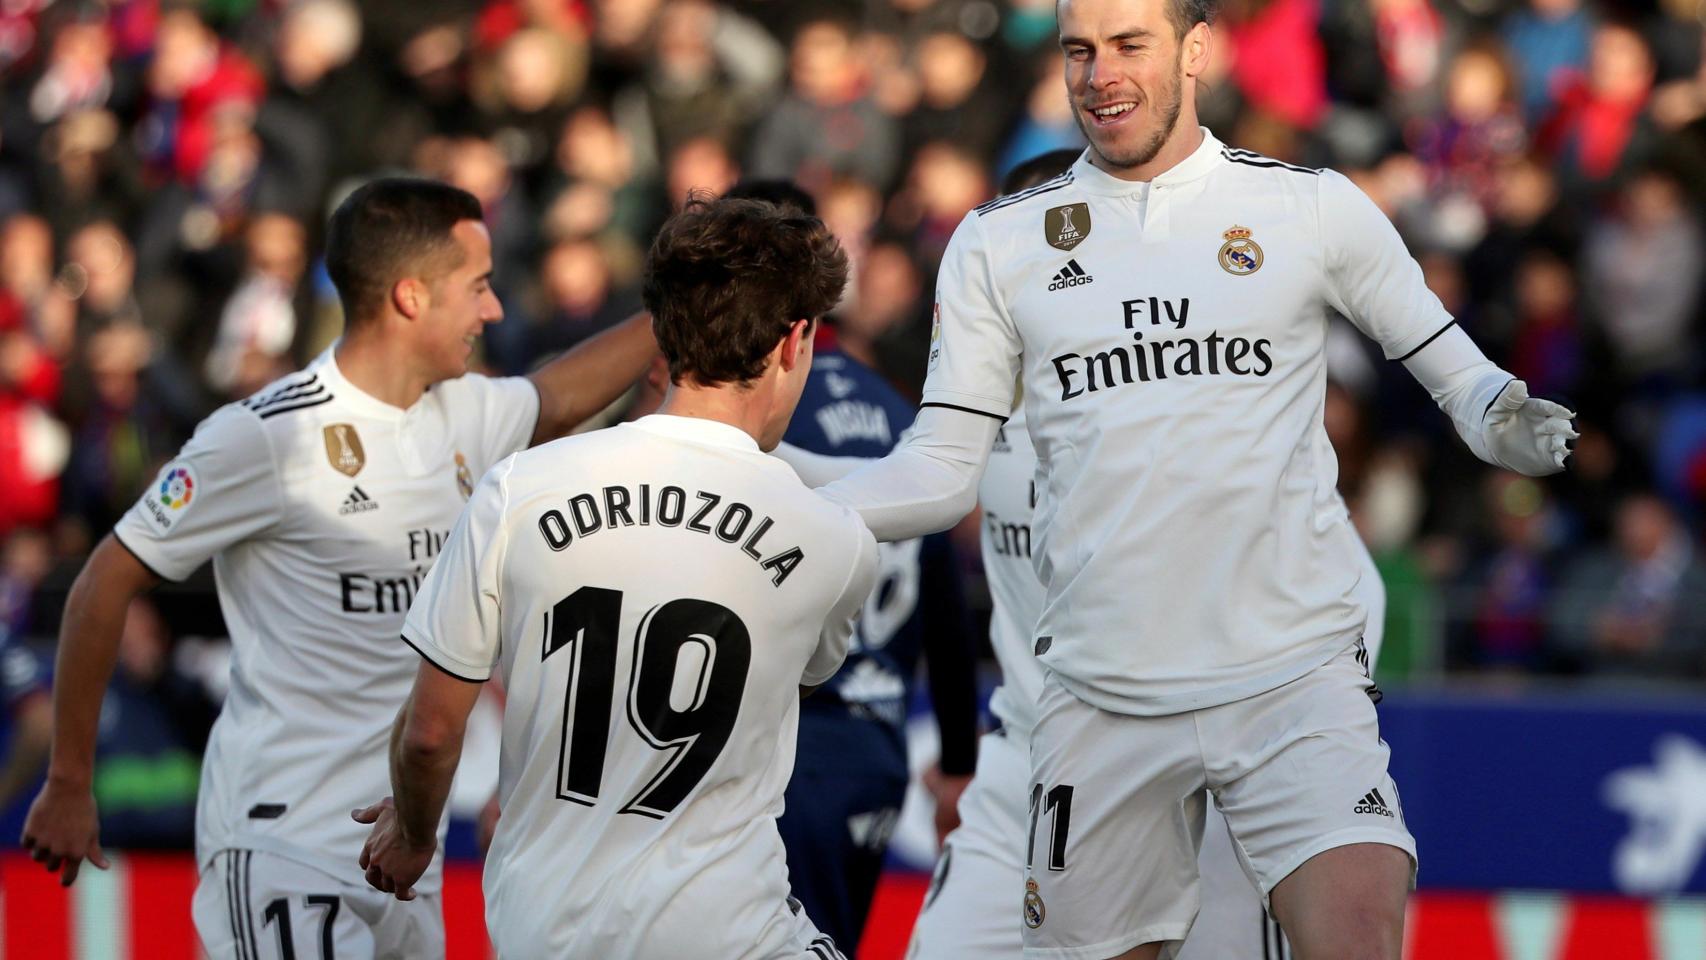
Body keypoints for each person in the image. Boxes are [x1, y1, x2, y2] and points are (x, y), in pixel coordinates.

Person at [779, 0, 1578, 956]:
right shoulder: (997, 243)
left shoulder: (1310, 206)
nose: (1100, 74)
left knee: (1358, 929)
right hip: (1101, 698)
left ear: (1197, 50)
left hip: (1291, 676)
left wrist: (1501, 417)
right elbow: (943, 470)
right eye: (1080, 51)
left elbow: (1457, 372)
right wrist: (773, 500)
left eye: (1129, 46)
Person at [21, 178, 657, 956]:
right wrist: (67, 781)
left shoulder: (464, 413)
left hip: (400, 861)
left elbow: (558, 395)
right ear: (410, 297)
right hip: (286, 847)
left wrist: (682, 310)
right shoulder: (265, 437)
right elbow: (102, 582)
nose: (493, 311)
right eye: (478, 288)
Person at [354, 195, 880, 960]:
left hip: (542, 930)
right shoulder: (834, 539)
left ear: (662, 334)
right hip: (731, 934)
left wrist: (412, 830)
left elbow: (432, 732)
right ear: (795, 341)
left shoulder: (518, 489)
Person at [724, 178, 982, 955]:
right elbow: (946, 602)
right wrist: (960, 763)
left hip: (780, 745)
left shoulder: (757, 415)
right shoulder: (905, 416)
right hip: (875, 748)